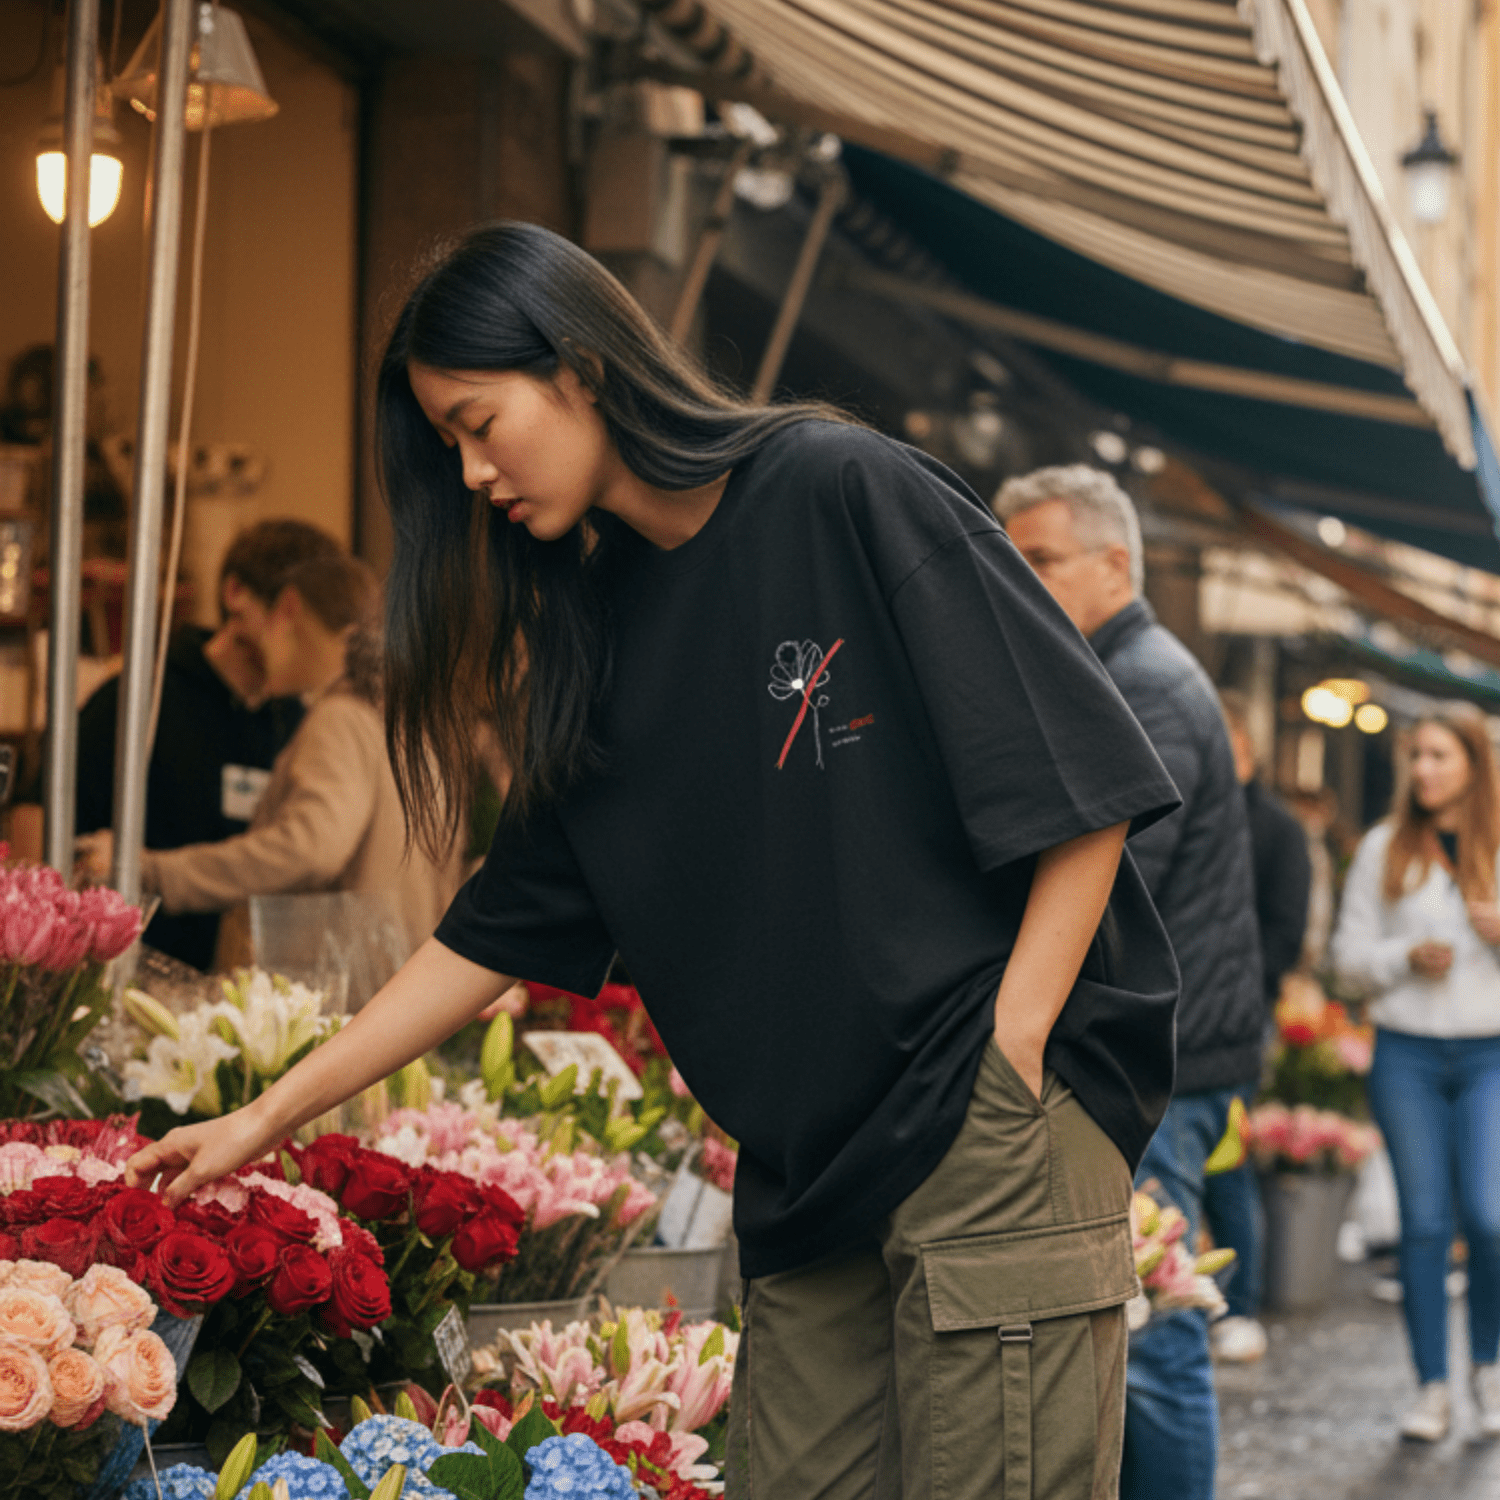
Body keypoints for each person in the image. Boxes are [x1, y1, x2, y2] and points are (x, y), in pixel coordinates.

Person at [126, 222, 1185, 1500]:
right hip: (809, 1178)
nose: (468, 473)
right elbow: (490, 933)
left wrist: (1012, 1052)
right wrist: (263, 1115)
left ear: (578, 366)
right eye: (446, 445)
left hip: (985, 1126)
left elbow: (1080, 786)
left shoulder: (839, 488)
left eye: (479, 421)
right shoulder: (595, 637)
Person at [995, 465, 1263, 1500]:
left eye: (1040, 560)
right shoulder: (1129, 671)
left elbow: (1106, 887)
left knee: (1154, 1319)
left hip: (1163, 1059)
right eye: (1008, 559)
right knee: (1143, 1308)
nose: (1018, 582)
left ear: (1116, 564)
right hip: (1170, 1049)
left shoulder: (1141, 684)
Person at [80, 551, 465, 964]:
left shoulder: (341, 718)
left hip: (337, 1002)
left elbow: (309, 848)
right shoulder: (405, 723)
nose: (258, 649)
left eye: (259, 629)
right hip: (399, 990)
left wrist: (149, 869)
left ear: (288, 608)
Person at [1331, 707, 1500, 1443]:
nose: (1424, 769)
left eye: (1439, 754)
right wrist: (1403, 957)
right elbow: (1343, 961)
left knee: (1492, 1220)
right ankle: (1431, 1385)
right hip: (1405, 1054)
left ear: (1473, 762)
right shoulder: (1381, 849)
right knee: (1424, 1224)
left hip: (1491, 1053)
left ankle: (1489, 1366)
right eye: (1417, 756)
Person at [74, 520, 341, 968]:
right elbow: (42, 815)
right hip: (126, 976)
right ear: (236, 593)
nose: (303, 636)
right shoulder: (139, 698)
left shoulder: (303, 721)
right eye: (290, 614)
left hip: (243, 990)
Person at [1203, 690, 1311, 1363]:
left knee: (1229, 1162)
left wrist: (1240, 988)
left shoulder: (1276, 827)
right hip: (1184, 1019)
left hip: (1240, 1020)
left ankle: (1242, 1305)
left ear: (1243, 744)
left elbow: (1286, 931)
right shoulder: (1191, 810)